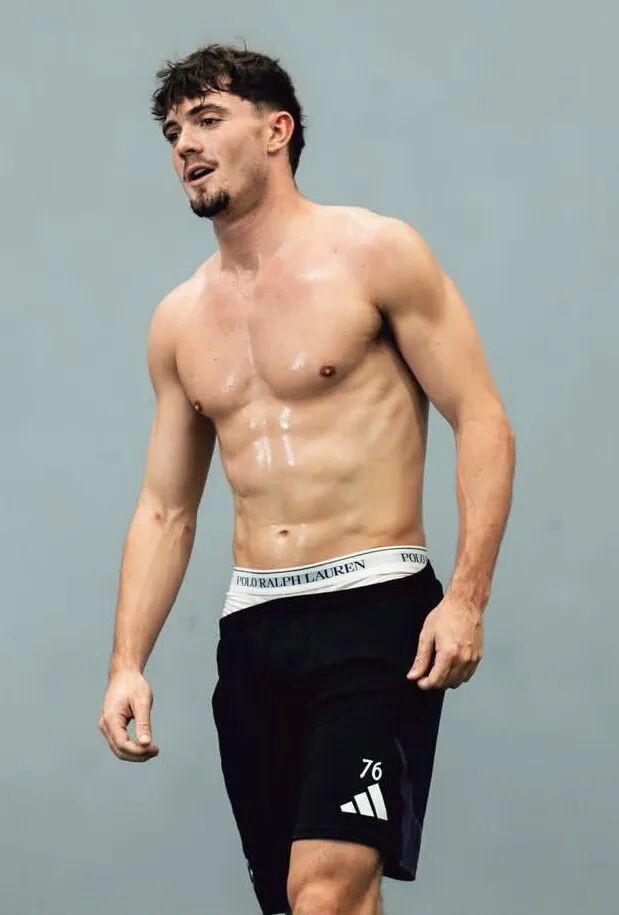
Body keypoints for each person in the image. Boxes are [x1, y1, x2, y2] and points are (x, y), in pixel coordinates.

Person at [98, 42, 515, 915]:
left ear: (276, 130)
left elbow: (479, 417)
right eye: (173, 132)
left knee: (322, 891)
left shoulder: (375, 253)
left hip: (376, 612)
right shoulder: (179, 320)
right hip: (254, 628)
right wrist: (127, 663)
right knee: (299, 905)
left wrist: (465, 597)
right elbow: (166, 507)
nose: (184, 144)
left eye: (207, 120)